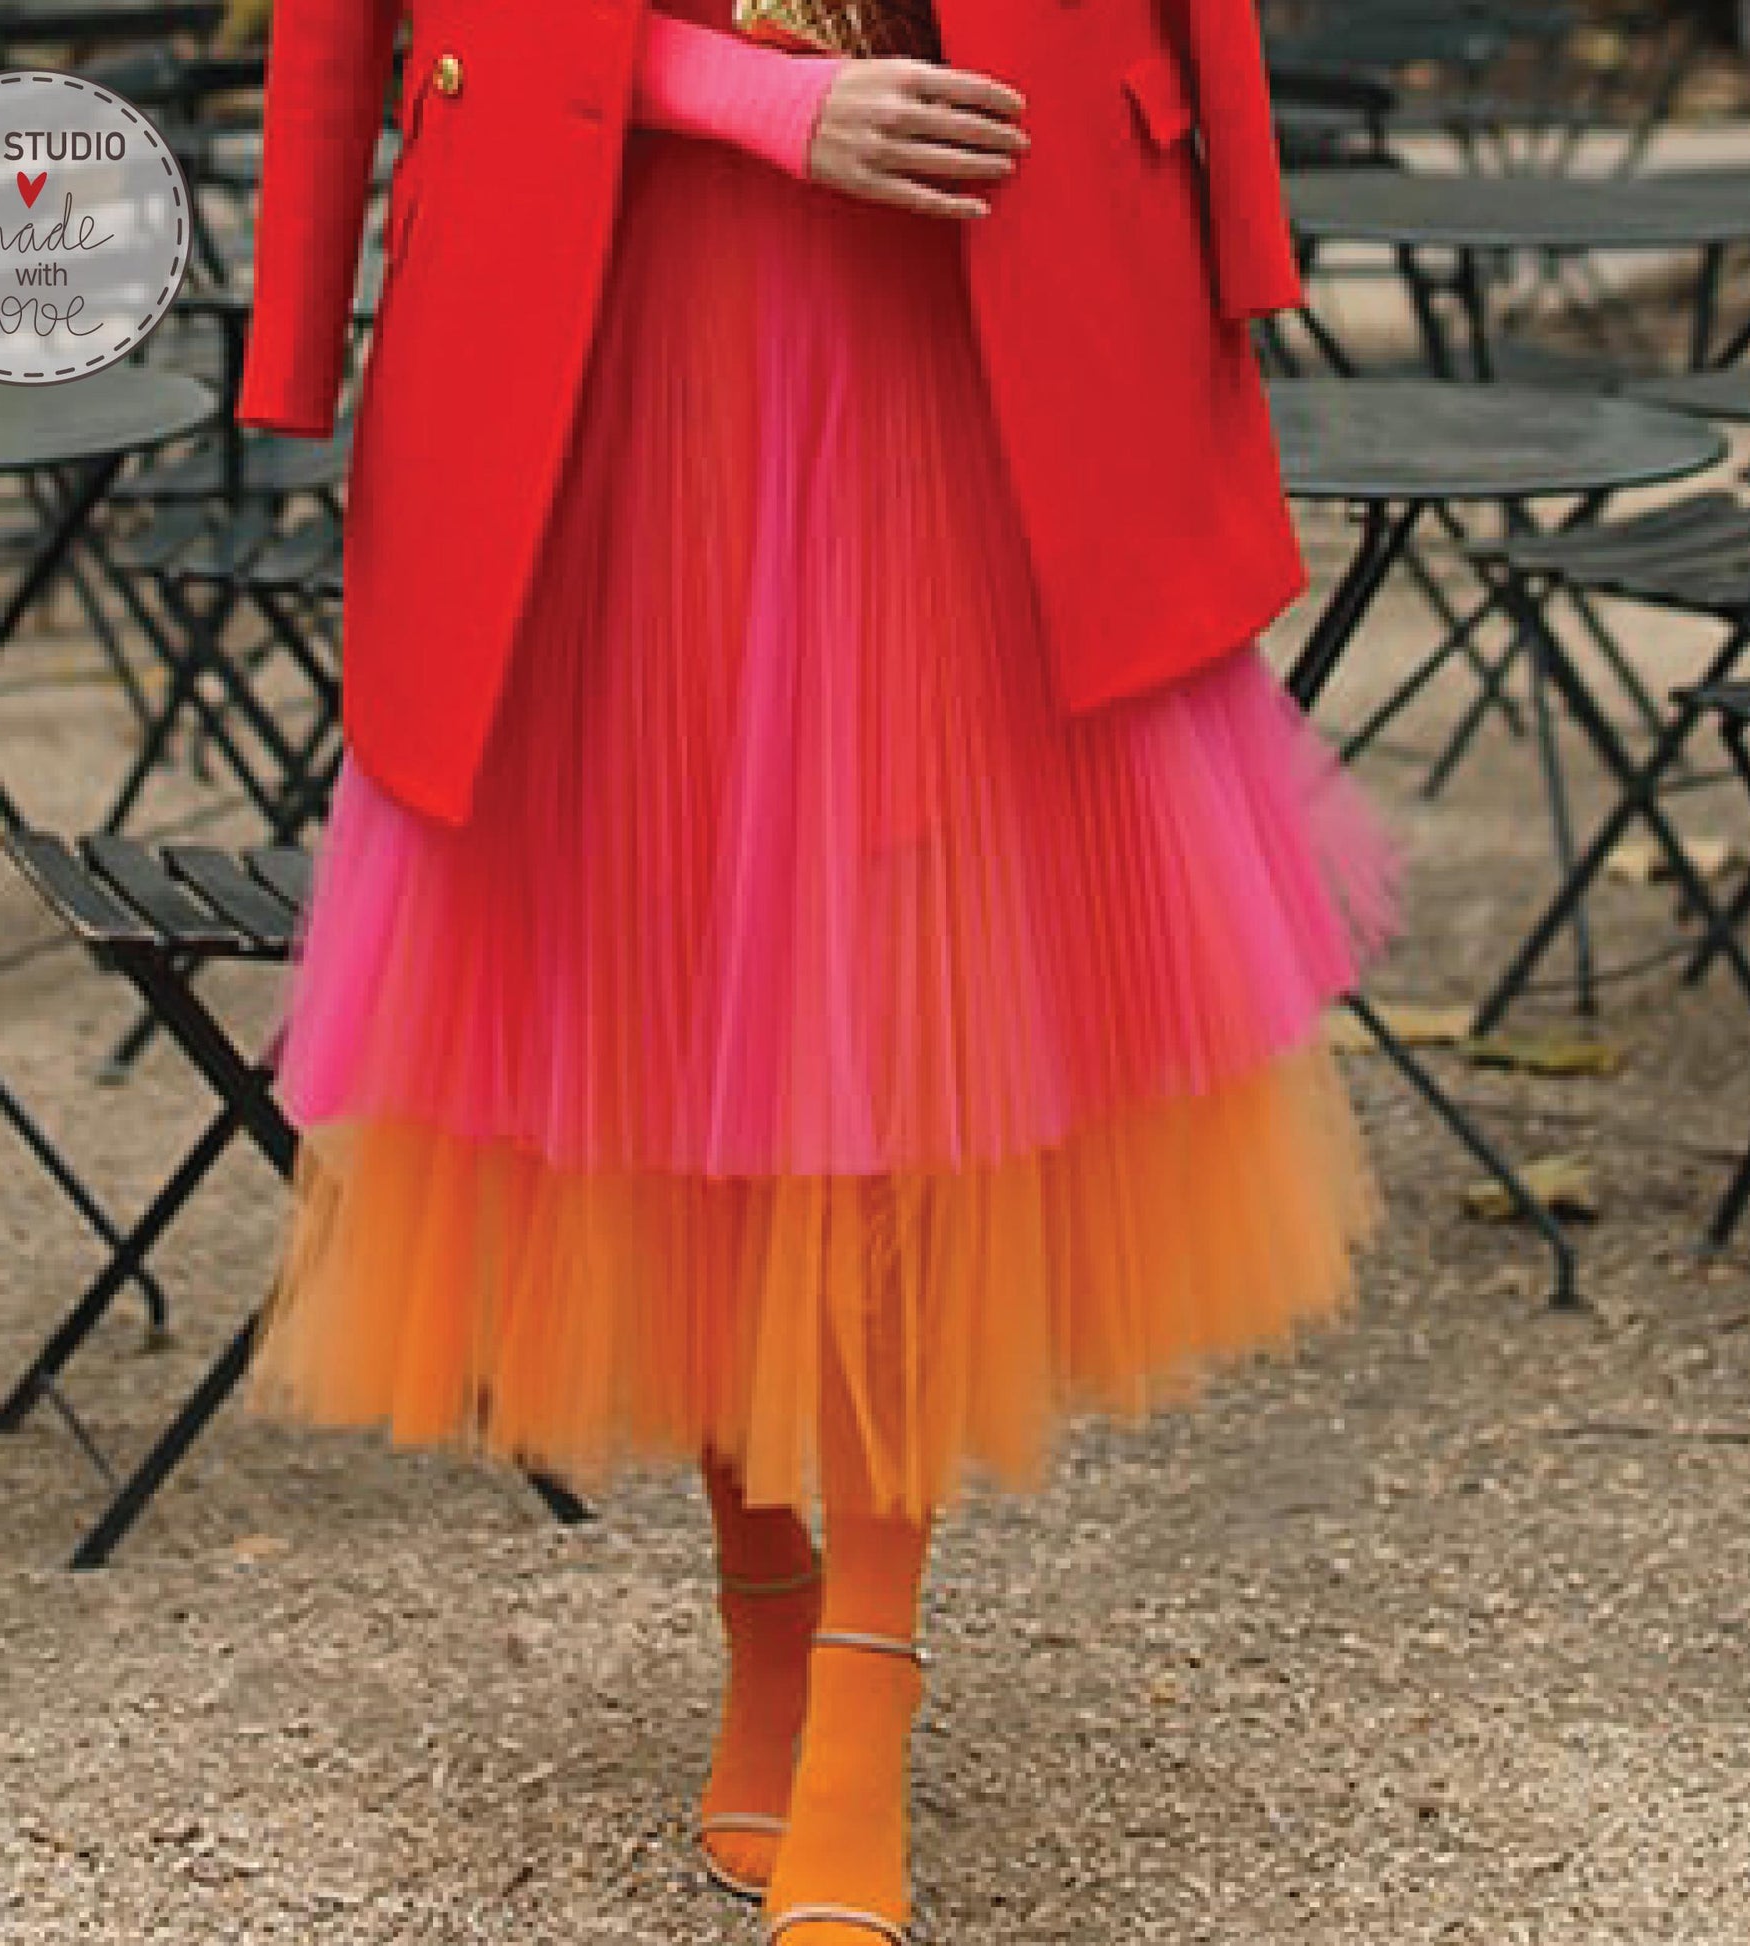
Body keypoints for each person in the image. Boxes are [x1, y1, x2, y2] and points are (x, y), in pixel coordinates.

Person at [235, 5, 1404, 1940]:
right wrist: (750, 97)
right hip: (602, 295)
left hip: (977, 268)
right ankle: (763, 1613)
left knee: (904, 1013)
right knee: (664, 986)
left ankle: (865, 1677)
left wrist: (1233, 237)